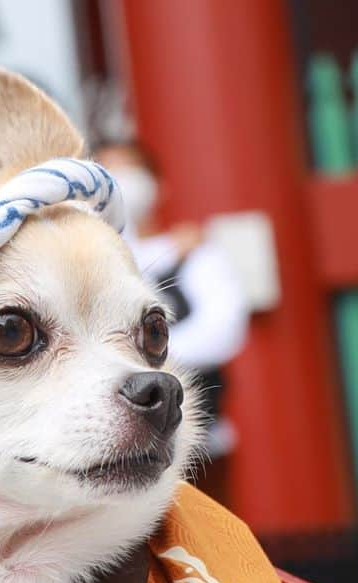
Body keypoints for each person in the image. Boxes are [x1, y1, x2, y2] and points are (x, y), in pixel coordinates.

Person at [96, 139, 249, 505]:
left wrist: (125, 355)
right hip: (113, 446)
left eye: (129, 169)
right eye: (107, 171)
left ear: (157, 184)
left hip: (201, 444)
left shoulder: (198, 256)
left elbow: (221, 332)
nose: (122, 181)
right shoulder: (96, 265)